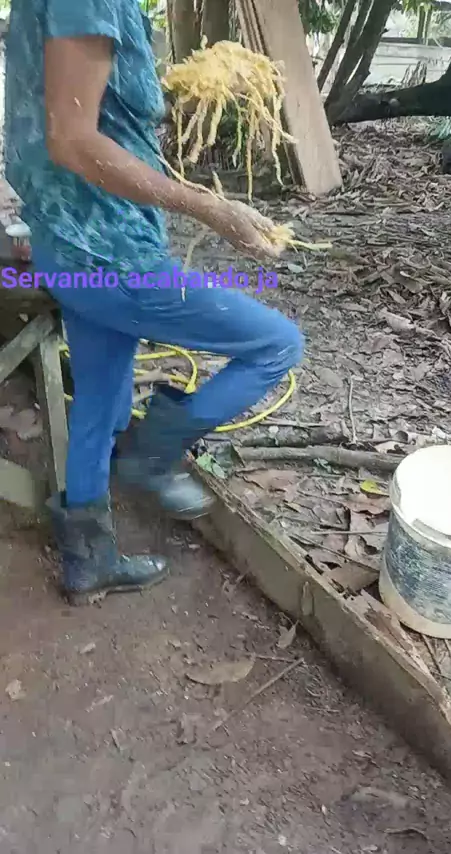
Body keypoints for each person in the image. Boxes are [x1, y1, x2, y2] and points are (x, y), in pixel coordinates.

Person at [4, 0, 304, 605]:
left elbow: (83, 106)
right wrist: (209, 206)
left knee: (97, 403)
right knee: (277, 345)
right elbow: (72, 139)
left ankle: (88, 563)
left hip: (68, 245)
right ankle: (153, 454)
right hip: (109, 254)